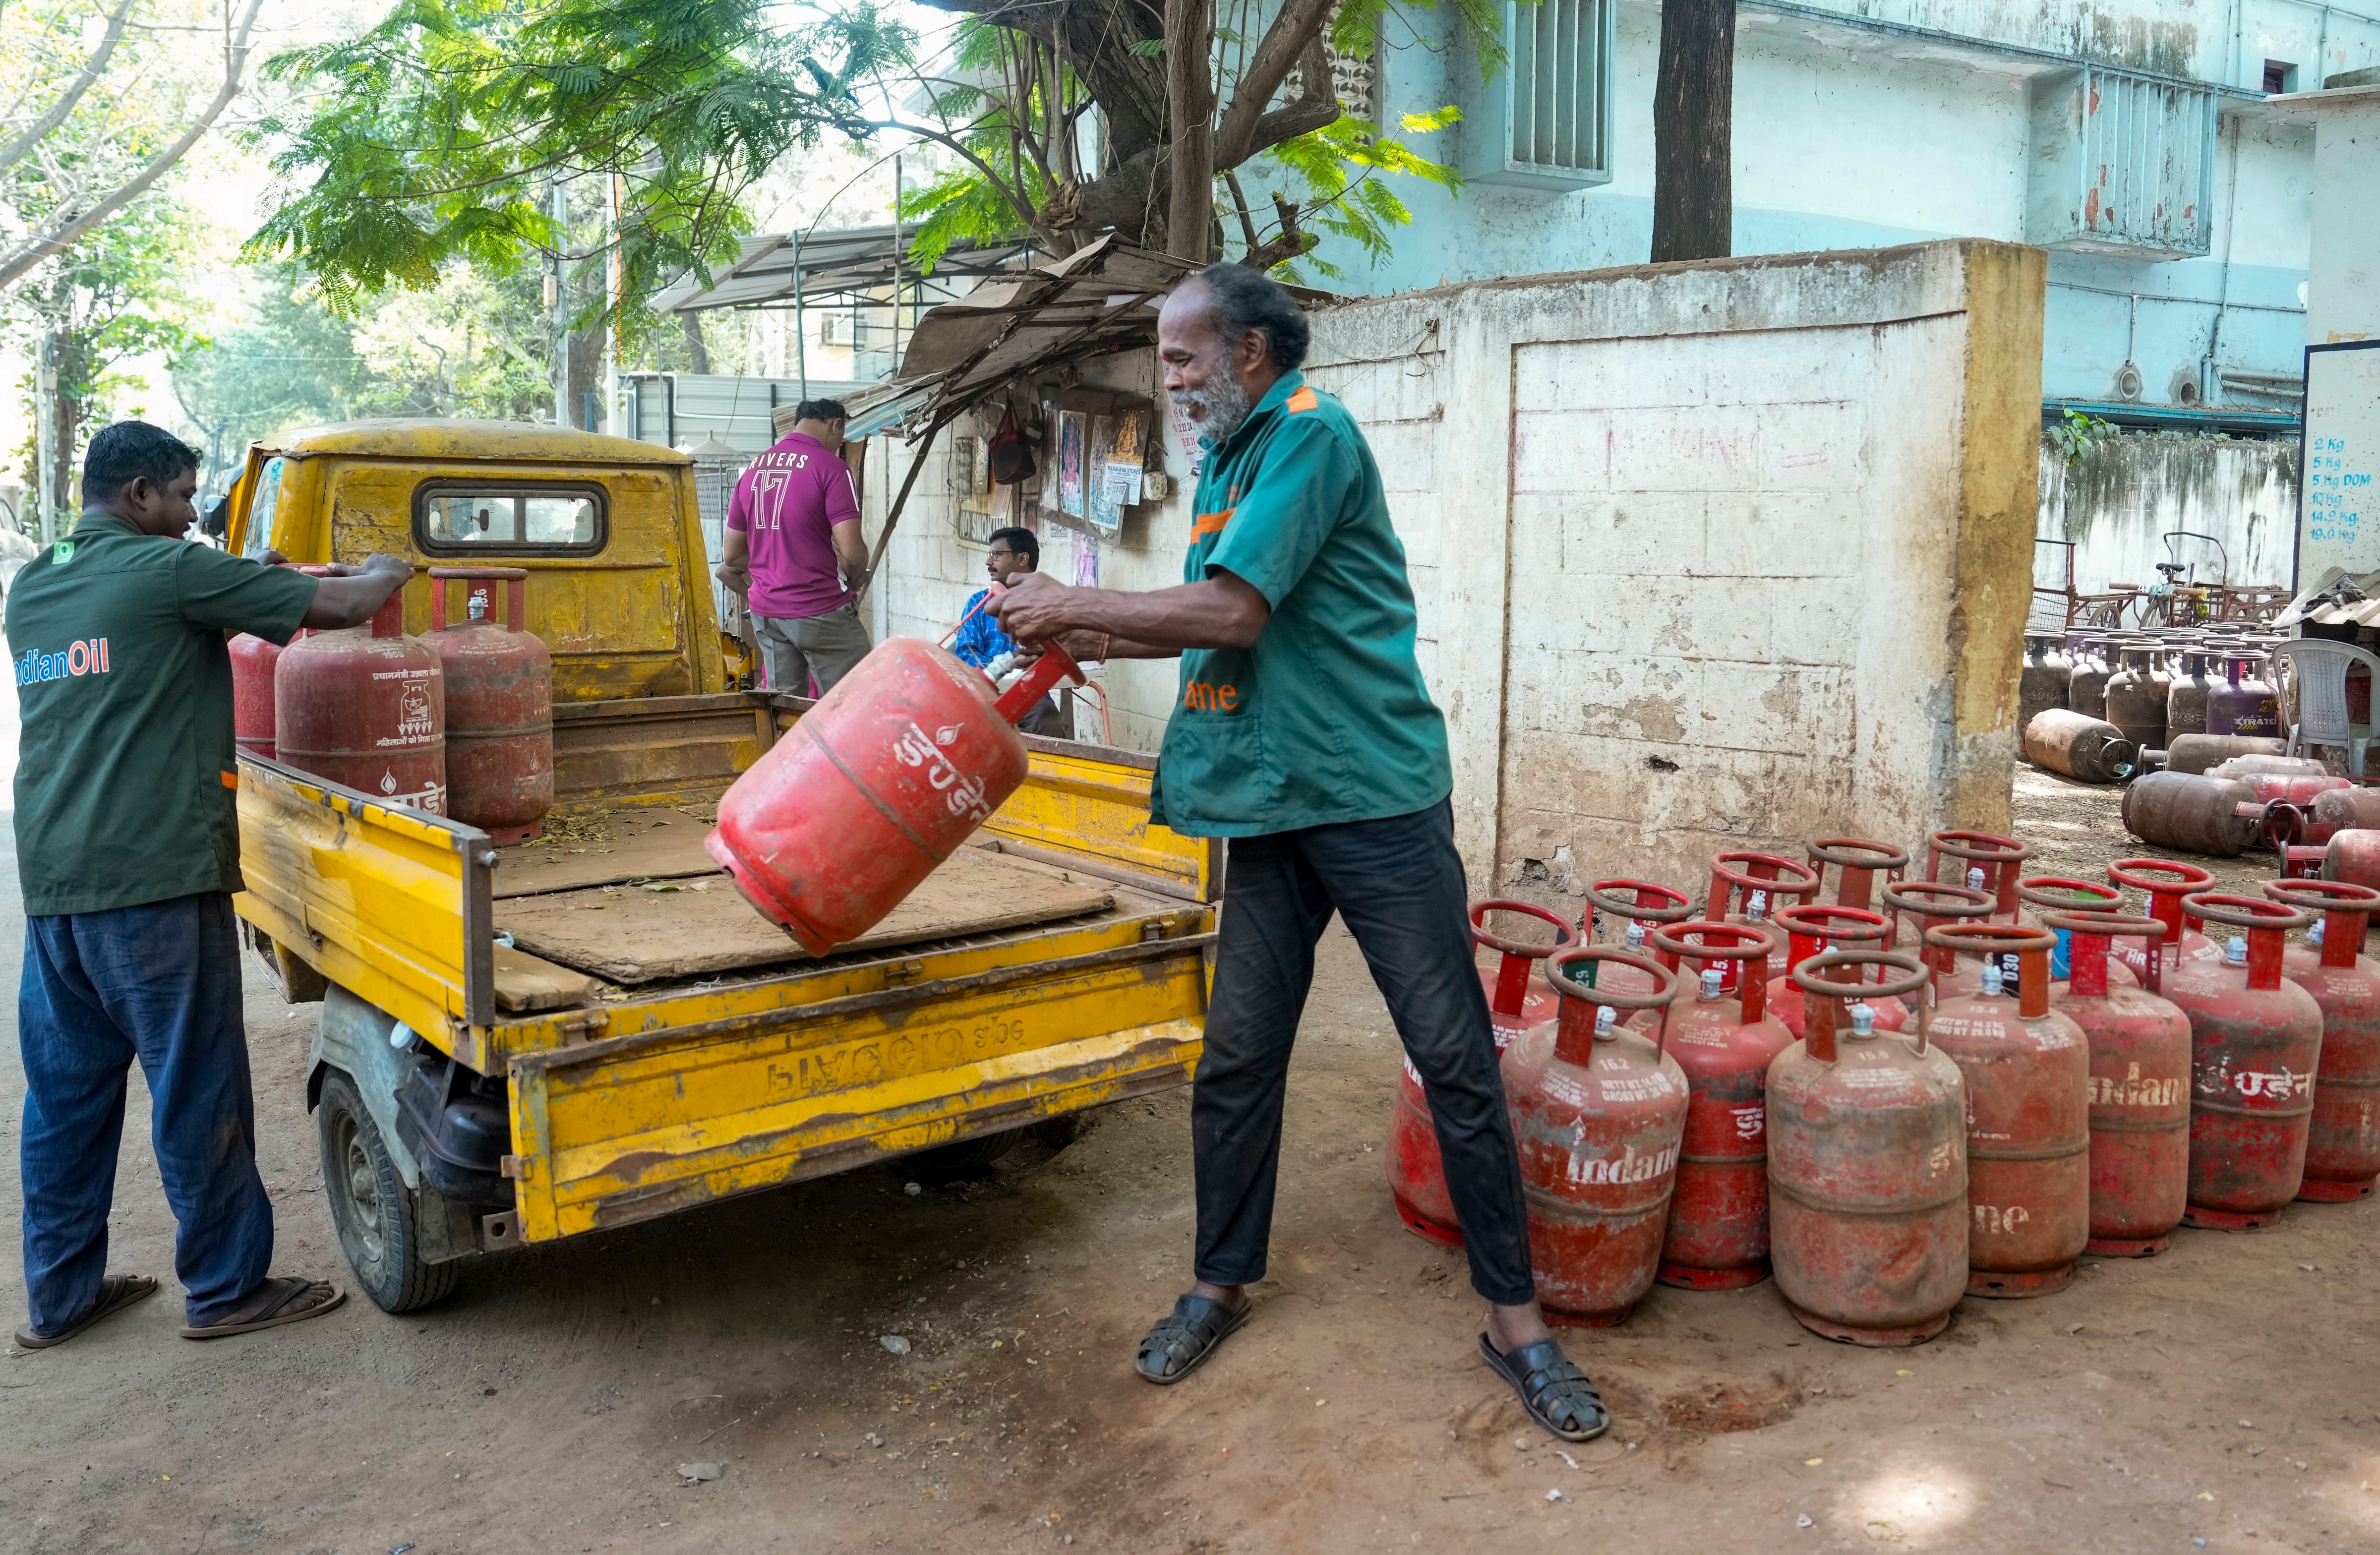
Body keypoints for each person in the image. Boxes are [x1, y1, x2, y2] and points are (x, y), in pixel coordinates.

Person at [988, 265, 1609, 1440]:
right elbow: (1217, 617)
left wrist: (1076, 604)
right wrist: (1095, 638)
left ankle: (1515, 1322)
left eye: (1180, 358)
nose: (1167, 380)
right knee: (1235, 1059)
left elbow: (1230, 613)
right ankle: (1219, 1281)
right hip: (1266, 801)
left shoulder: (1309, 437)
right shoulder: (1229, 456)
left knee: (1452, 1059)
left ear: (1249, 355)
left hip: (1368, 799)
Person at [7, 421, 413, 1349]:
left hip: (58, 888)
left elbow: (145, 633)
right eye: (187, 496)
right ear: (142, 493)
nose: (194, 515)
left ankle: (58, 1297)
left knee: (66, 1102)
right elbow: (346, 608)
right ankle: (228, 1286)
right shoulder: (171, 570)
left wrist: (252, 581)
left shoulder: (35, 584)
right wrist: (390, 568)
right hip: (153, 878)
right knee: (198, 1086)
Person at [716, 399, 871, 697]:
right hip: (819, 608)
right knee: (852, 701)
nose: (839, 444)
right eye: (842, 436)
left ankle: (784, 745)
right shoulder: (832, 468)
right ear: (836, 425)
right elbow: (853, 554)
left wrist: (774, 568)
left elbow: (732, 555)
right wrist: (853, 581)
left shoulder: (752, 470)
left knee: (783, 707)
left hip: (767, 613)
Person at [952, 526, 1063, 737]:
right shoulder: (979, 603)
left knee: (1045, 718)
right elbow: (966, 655)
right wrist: (1008, 662)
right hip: (986, 693)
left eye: (997, 555)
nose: (988, 562)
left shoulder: (1049, 604)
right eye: (989, 554)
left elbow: (1060, 655)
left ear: (1022, 559)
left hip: (1028, 695)